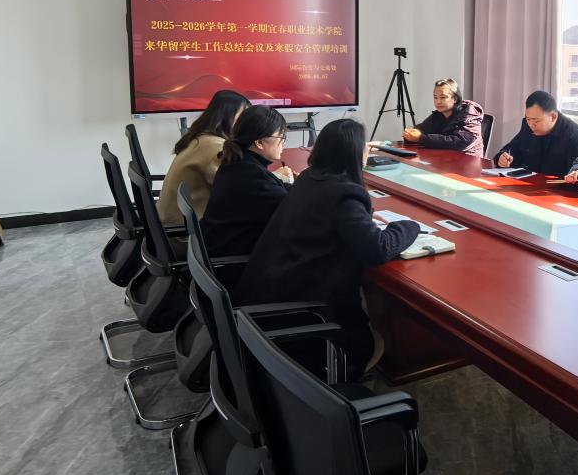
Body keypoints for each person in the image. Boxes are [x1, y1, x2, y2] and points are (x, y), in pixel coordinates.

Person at [231, 118, 419, 379]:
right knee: (364, 342)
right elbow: (376, 249)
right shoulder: (345, 194)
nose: (367, 153)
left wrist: (362, 216)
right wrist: (409, 226)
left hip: (267, 301)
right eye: (364, 148)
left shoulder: (309, 178)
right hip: (304, 320)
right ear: (353, 154)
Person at [200, 106, 294, 257]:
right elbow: (293, 209)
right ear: (260, 143)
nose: (283, 144)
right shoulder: (252, 177)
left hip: (219, 248)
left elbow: (278, 191)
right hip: (234, 262)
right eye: (281, 138)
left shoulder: (238, 162)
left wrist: (302, 185)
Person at [157, 89, 250, 227]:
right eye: (243, 117)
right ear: (227, 116)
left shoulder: (200, 138)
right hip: (182, 233)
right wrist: (275, 178)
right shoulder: (215, 147)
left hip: (169, 224)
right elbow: (237, 189)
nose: (247, 123)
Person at [494, 90, 578, 177]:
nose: (531, 125)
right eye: (528, 119)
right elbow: (513, 149)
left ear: (553, 116)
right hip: (528, 183)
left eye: (536, 121)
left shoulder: (576, 138)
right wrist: (503, 158)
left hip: (555, 189)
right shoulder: (529, 126)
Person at [403, 78, 484, 156]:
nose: (438, 102)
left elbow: (459, 142)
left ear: (455, 99)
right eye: (435, 97)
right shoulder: (439, 114)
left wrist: (421, 138)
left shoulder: (470, 113)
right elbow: (421, 129)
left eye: (443, 97)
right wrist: (409, 135)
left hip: (468, 160)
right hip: (445, 158)